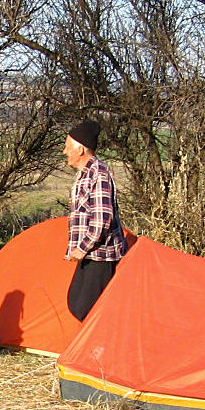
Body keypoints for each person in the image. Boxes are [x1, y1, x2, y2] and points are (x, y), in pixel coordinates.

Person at [63, 119, 127, 321]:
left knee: (86, 309)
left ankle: (106, 339)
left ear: (80, 149)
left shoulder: (98, 173)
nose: (64, 152)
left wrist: (82, 248)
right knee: (76, 303)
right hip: (90, 253)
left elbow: (102, 218)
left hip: (101, 253)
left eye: (67, 147)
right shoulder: (84, 174)